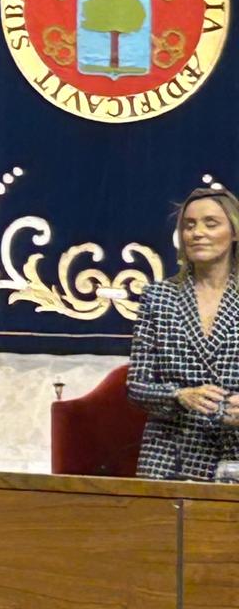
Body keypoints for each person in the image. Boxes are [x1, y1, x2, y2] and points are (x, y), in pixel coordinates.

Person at [127, 183, 239, 479]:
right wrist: (179, 395)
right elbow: (136, 387)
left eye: (210, 223)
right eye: (189, 225)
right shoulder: (157, 298)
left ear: (235, 232)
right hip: (169, 460)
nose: (197, 233)